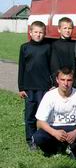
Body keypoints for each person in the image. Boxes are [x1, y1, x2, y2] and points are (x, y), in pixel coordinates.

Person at [33, 67, 76, 158]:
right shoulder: (49, 95)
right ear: (57, 80)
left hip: (73, 127)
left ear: (73, 80)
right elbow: (39, 122)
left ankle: (73, 148)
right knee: (38, 138)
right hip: (54, 127)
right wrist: (54, 132)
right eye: (62, 80)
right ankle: (54, 149)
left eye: (69, 80)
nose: (65, 83)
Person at [18, 20, 51, 150]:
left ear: (44, 33)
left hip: (44, 87)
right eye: (35, 32)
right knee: (30, 116)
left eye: (41, 32)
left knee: (45, 115)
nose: (38, 35)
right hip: (29, 88)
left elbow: (51, 66)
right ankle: (31, 140)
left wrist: (52, 85)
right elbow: (21, 68)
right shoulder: (24, 47)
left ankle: (44, 139)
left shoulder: (48, 47)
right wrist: (21, 87)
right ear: (30, 33)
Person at [50, 17, 76, 88]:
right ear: (59, 29)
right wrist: (56, 83)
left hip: (73, 82)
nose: (67, 30)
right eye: (65, 28)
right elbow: (54, 66)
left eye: (70, 28)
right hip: (59, 83)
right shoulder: (54, 45)